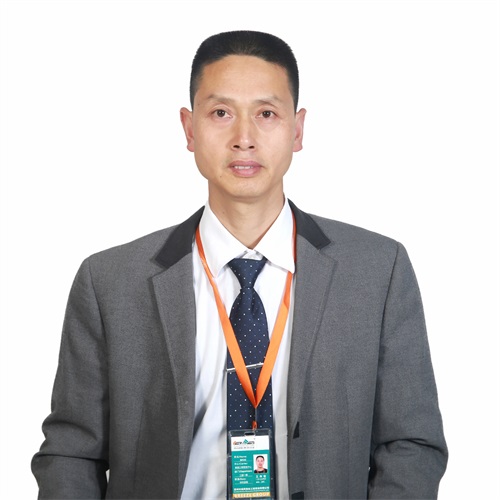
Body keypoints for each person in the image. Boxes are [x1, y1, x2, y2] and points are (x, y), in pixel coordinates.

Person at [32, 30, 447, 499]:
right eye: (221, 113)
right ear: (190, 129)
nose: (244, 139)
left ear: (297, 130)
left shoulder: (377, 271)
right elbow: (71, 453)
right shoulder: (110, 282)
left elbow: (411, 444)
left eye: (266, 114)